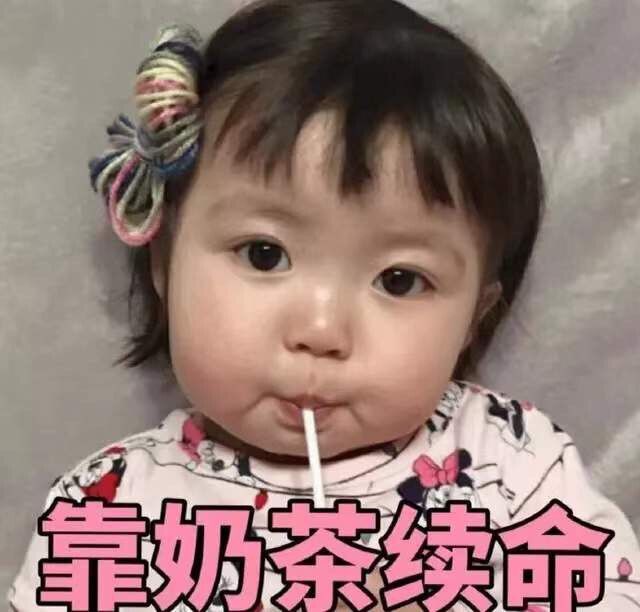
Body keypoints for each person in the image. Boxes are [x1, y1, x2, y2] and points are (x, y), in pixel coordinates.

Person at [8, 1, 640, 610]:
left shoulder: (514, 465)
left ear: (475, 317)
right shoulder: (113, 508)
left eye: (399, 280)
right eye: (264, 255)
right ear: (164, 265)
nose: (321, 329)